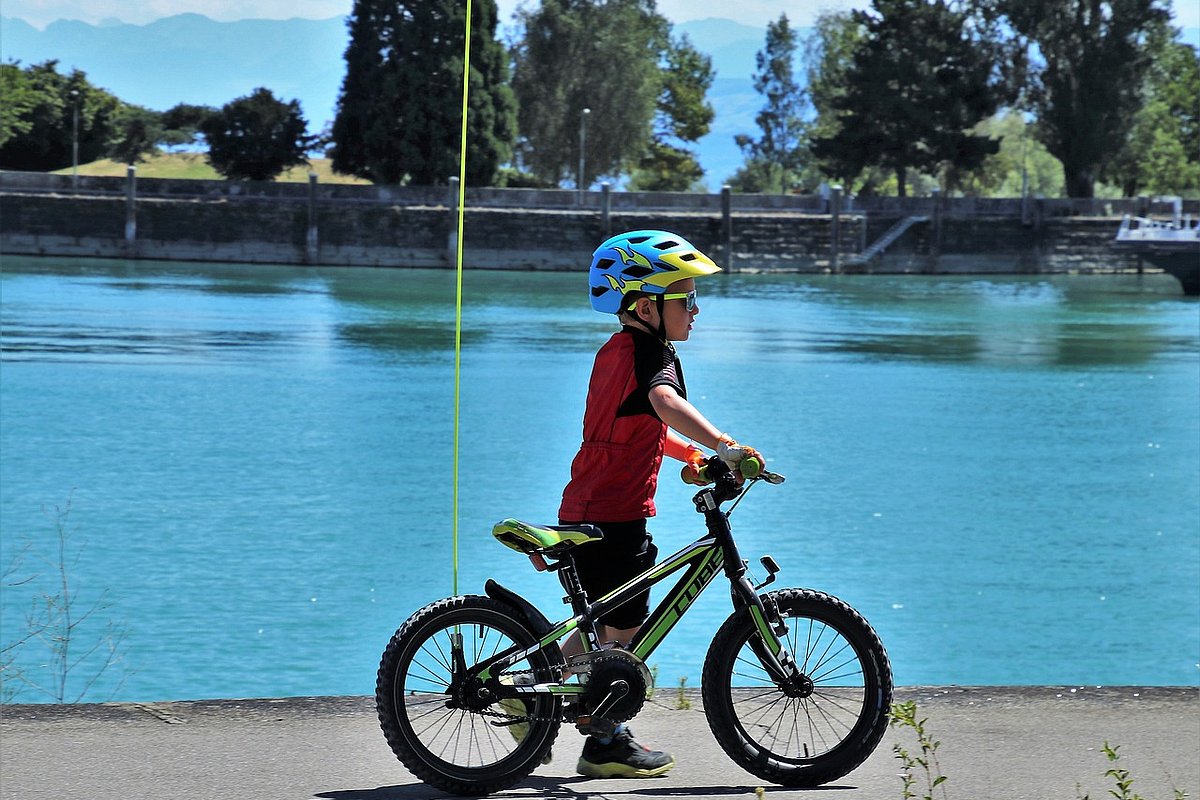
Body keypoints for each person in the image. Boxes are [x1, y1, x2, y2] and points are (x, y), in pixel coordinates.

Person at [559, 229, 764, 779]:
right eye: (687, 298)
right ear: (647, 305)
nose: (696, 309)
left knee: (603, 622)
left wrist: (686, 456)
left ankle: (533, 693)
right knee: (623, 629)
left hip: (588, 502)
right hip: (617, 510)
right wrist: (724, 445)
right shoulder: (653, 353)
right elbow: (662, 402)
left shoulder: (615, 350)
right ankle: (604, 741)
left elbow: (641, 424)